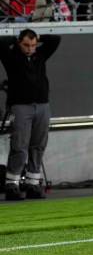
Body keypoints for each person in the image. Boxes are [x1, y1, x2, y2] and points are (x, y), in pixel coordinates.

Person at [0, 29, 60, 200]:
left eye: (33, 45)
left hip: (42, 104)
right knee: (19, 145)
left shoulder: (39, 55)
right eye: (26, 45)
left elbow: (56, 39)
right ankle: (12, 184)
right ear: (19, 43)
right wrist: (14, 38)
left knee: (38, 145)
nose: (30, 49)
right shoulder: (11, 57)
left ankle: (33, 184)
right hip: (20, 106)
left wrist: (39, 37)